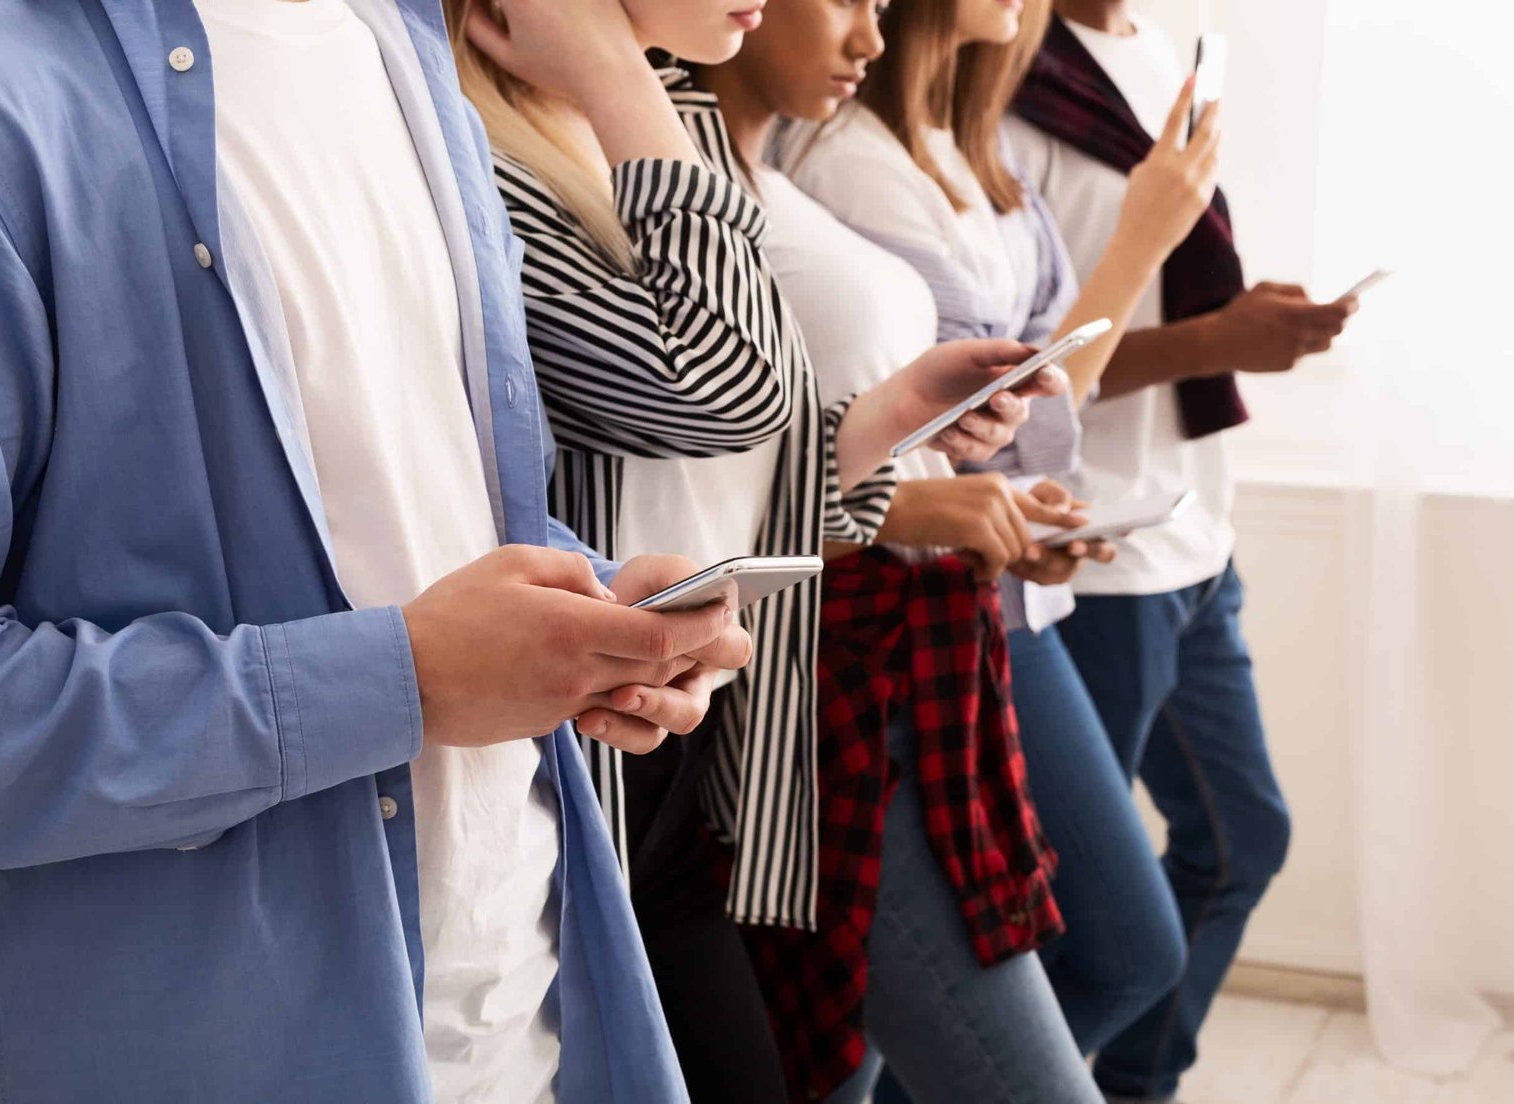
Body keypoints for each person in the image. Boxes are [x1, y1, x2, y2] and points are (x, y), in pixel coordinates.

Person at [0, 1, 757, 1100]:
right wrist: (401, 678)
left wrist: (588, 610)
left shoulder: (403, 51)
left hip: (531, 1022)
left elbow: (412, 514)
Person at [448, 0, 1056, 1098]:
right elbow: (716, 390)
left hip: (675, 753)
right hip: (571, 764)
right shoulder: (485, 148)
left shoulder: (646, 117)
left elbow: (715, 463)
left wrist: (885, 421)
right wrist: (613, 71)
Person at [693, 0, 1177, 1099]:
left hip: (920, 637)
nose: (861, 35)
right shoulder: (794, 174)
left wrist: (953, 491)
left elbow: (1017, 415)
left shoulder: (804, 177)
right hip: (832, 668)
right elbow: (677, 487)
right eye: (841, 1)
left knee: (849, 1059)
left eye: (871, 6)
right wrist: (910, 510)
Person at [1004, 2, 1357, 1100]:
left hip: (1196, 535)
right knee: (1068, 921)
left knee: (1241, 837)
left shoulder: (1162, 53)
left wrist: (1245, 325)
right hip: (1092, 556)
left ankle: (1130, 1088)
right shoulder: (1007, 81)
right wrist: (1216, 342)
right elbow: (1022, 367)